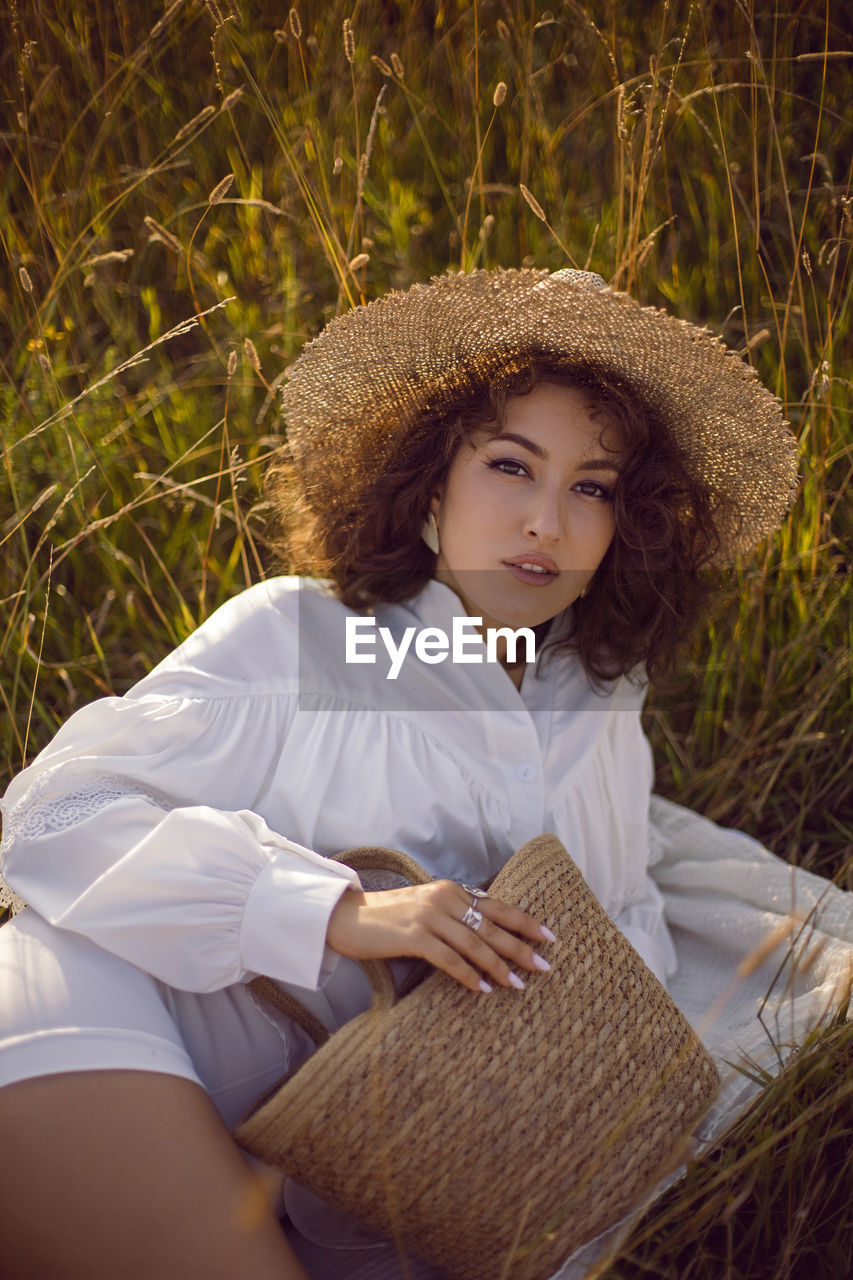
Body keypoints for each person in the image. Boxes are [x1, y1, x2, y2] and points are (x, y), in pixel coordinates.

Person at [0, 268, 851, 1280]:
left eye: (591, 486)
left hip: (378, 1138)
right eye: (509, 465)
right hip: (132, 1020)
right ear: (428, 485)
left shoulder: (591, 696)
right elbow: (53, 812)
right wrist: (335, 907)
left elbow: (616, 913)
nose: (547, 520)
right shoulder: (311, 638)